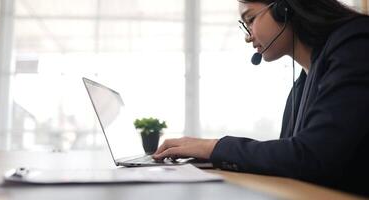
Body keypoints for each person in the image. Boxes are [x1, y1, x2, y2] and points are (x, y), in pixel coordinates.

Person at [153, 0, 369, 196]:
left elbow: (313, 156)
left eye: (251, 19)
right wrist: (211, 155)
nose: (248, 36)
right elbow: (291, 159)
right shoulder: (302, 83)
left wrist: (213, 148)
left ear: (284, 7)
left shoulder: (356, 43)